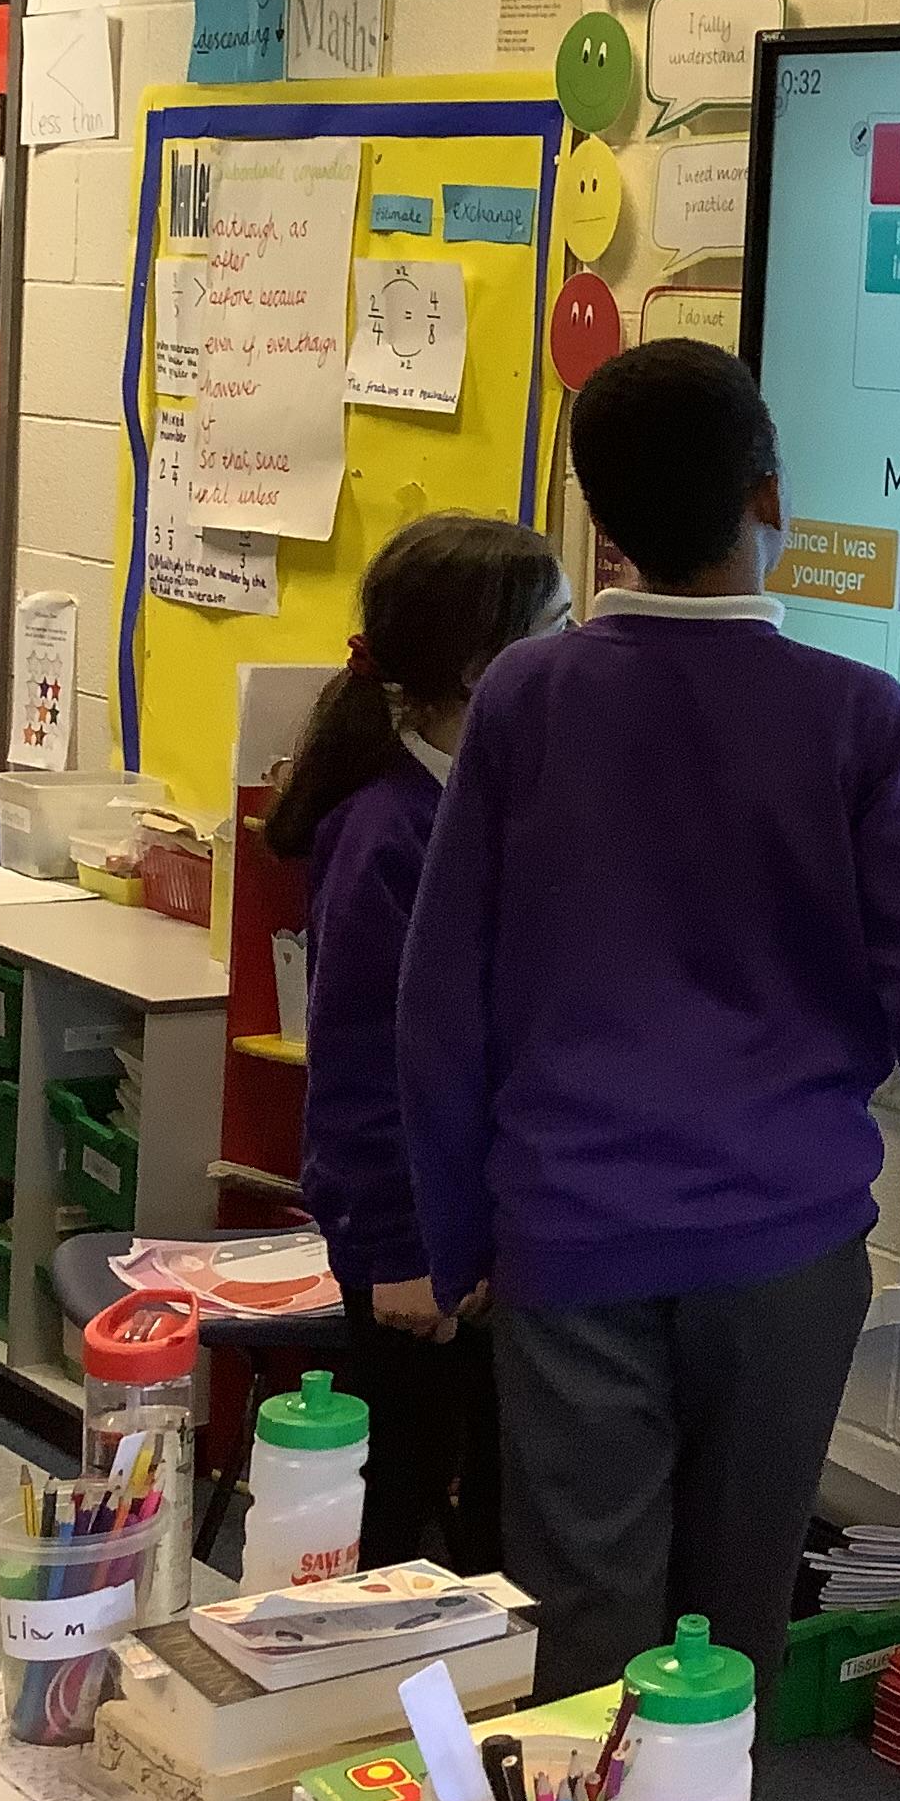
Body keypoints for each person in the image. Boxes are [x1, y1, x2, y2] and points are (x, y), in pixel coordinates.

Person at [399, 340, 900, 1696]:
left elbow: (442, 993)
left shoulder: (524, 699)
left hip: (570, 1235)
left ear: (600, 520)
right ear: (771, 496)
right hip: (782, 1246)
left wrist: (453, 1237)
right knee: (731, 1629)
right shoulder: (859, 717)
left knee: (585, 1616)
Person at [263, 511, 570, 1573]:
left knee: (494, 1509)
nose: (576, 649)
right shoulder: (384, 832)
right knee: (395, 1499)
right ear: (482, 668)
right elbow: (358, 1069)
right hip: (411, 1251)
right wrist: (404, 1254)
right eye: (557, 627)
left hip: (483, 1229)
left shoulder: (490, 796)